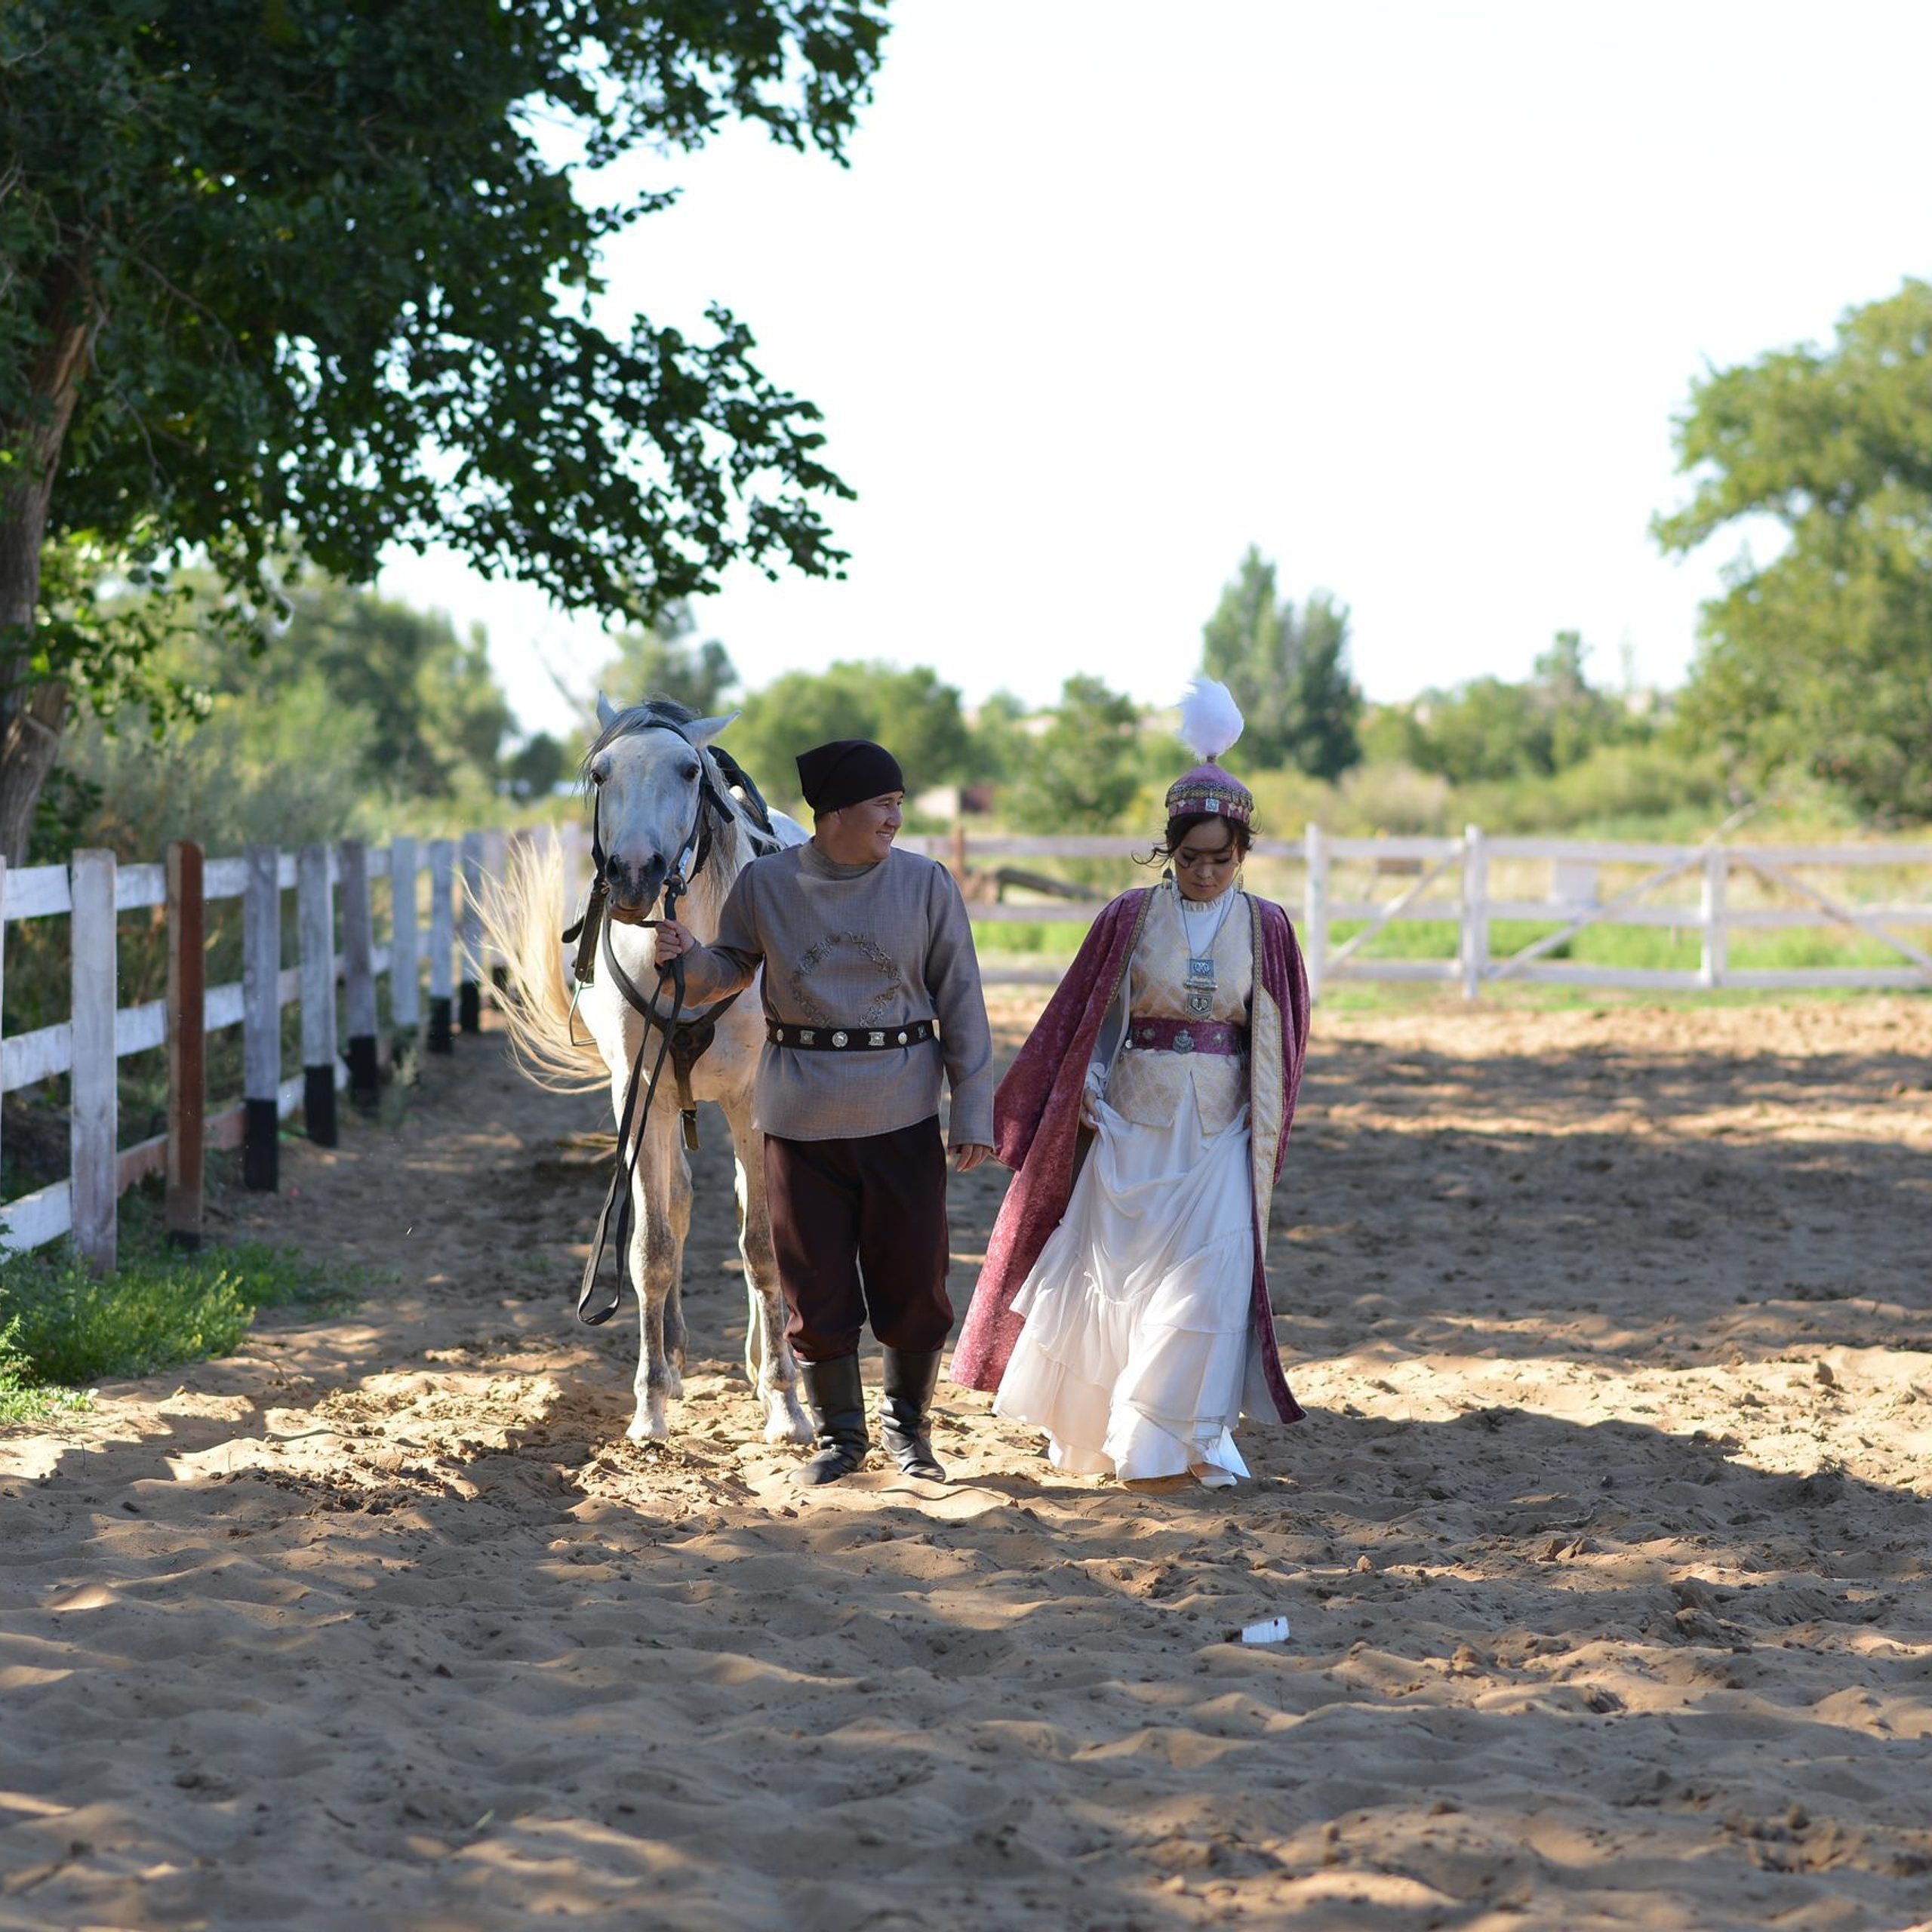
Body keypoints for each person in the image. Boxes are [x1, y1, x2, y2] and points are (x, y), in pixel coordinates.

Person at [950, 681, 1311, 1487]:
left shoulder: (1268, 926)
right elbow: (1088, 1015)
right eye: (1191, 858)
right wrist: (1086, 1081)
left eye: (1221, 858)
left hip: (1222, 1131)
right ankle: (1104, 1431)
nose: (1206, 872)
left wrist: (1264, 1124)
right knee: (1117, 1276)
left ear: (1243, 853)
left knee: (1206, 1283)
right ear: (1169, 850)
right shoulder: (1128, 915)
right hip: (1131, 1127)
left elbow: (1282, 1037)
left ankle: (1176, 1443)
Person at [654, 737, 994, 1487]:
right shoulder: (767, 884)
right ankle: (842, 1437)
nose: (895, 818)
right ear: (834, 811)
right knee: (815, 1284)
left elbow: (962, 997)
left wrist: (973, 1109)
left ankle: (909, 1433)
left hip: (901, 1109)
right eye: (883, 804)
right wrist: (687, 959)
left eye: (899, 804)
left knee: (915, 1279)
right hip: (800, 1117)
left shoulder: (926, 884)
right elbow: (727, 969)